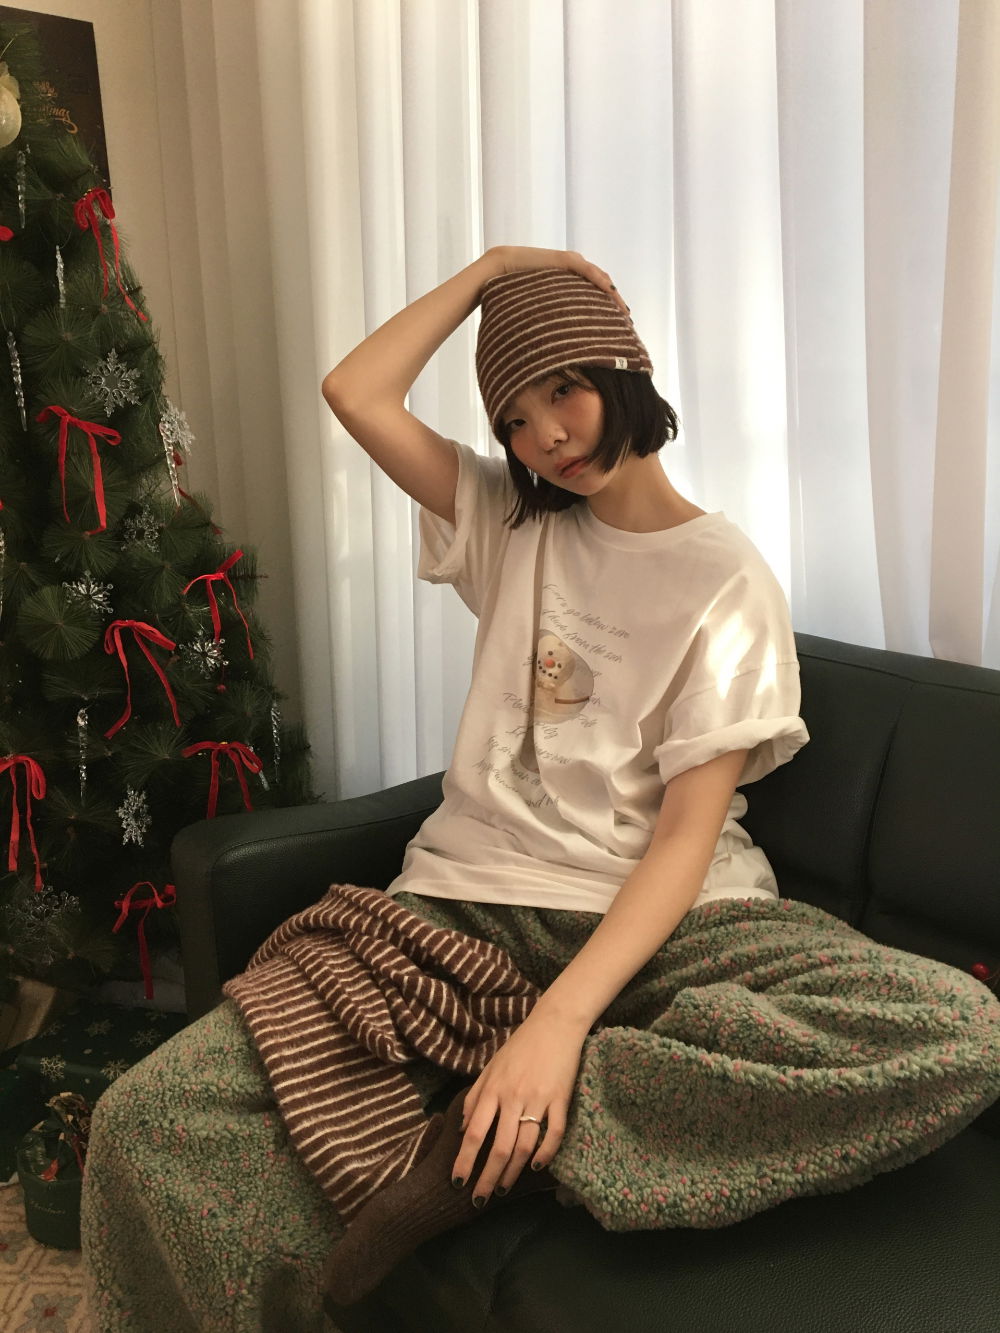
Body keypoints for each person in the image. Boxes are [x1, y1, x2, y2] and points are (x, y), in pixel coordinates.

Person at [80, 247, 1000, 1332]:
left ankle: (483, 1143)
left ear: (623, 370)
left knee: (957, 1028)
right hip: (460, 910)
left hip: (669, 926)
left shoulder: (726, 579)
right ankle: (504, 1107)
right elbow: (355, 390)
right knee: (145, 1121)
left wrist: (558, 1029)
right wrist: (493, 269)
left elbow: (682, 841)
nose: (546, 436)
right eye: (514, 418)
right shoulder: (508, 523)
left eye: (563, 389)